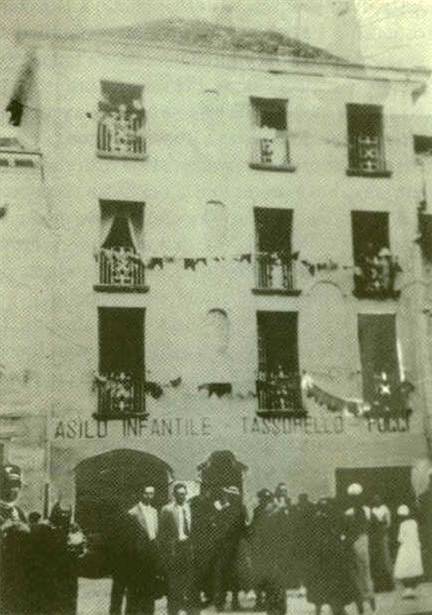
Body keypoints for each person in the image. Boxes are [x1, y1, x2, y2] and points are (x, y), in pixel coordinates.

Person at [159, 483, 200, 615]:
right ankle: (173, 610)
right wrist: (166, 551)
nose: (182, 496)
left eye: (184, 494)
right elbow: (162, 533)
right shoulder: (167, 510)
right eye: (179, 494)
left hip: (188, 548)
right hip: (175, 548)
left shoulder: (190, 508)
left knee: (189, 580)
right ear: (174, 495)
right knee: (174, 582)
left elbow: (195, 529)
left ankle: (189, 609)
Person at [211, 486, 247, 611]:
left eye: (234, 495)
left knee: (235, 574)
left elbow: (244, 527)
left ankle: (235, 601)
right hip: (224, 546)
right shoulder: (224, 510)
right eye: (230, 495)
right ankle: (220, 602)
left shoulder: (241, 509)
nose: (232, 497)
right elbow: (217, 527)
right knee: (222, 573)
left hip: (236, 546)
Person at [125, 485, 160, 615]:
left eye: (151, 493)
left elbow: (155, 534)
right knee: (135, 589)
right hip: (137, 556)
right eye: (146, 493)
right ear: (141, 494)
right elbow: (129, 538)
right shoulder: (132, 513)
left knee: (150, 588)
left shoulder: (155, 511)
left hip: (151, 555)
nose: (149, 496)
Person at [0, 464, 30, 615]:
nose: (15, 490)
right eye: (9, 485)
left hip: (16, 575)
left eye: (17, 485)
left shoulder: (18, 512)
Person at [47, 502, 86, 615]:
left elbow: (81, 546)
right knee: (54, 599)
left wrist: (76, 545)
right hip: (54, 569)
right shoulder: (48, 528)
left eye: (66, 514)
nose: (64, 516)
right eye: (61, 513)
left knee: (70, 597)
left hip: (70, 568)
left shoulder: (73, 527)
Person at [250, 496, 287, 615]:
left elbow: (284, 538)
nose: (267, 506)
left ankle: (277, 609)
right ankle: (273, 609)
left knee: (277, 585)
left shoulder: (278, 517)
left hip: (275, 557)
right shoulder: (266, 517)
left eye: (269, 504)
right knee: (271, 585)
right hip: (267, 556)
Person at [344, 483, 376, 614]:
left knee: (360, 569)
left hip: (359, 540)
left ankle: (365, 596)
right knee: (363, 569)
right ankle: (367, 597)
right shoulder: (363, 511)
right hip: (361, 540)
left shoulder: (351, 512)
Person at [394, 505, 423, 599]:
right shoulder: (414, 523)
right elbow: (416, 535)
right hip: (414, 547)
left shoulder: (402, 525)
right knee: (413, 567)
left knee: (404, 568)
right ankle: (411, 589)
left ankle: (408, 589)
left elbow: (400, 538)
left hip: (406, 548)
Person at [251, 489, 274, 611]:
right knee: (258, 574)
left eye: (266, 499)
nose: (264, 501)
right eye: (263, 499)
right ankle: (259, 600)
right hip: (259, 548)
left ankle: (267, 599)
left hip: (270, 548)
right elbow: (254, 528)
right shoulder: (257, 511)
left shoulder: (273, 511)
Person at [369, 495, 393, 592]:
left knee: (384, 558)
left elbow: (388, 523)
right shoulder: (372, 510)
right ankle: (378, 585)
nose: (376, 501)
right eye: (374, 500)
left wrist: (382, 526)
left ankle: (388, 584)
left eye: (378, 499)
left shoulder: (385, 509)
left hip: (382, 535)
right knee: (377, 560)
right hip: (375, 537)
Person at [418, 468, 432, 579]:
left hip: (427, 528)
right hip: (427, 528)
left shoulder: (423, 496)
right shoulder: (423, 496)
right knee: (427, 550)